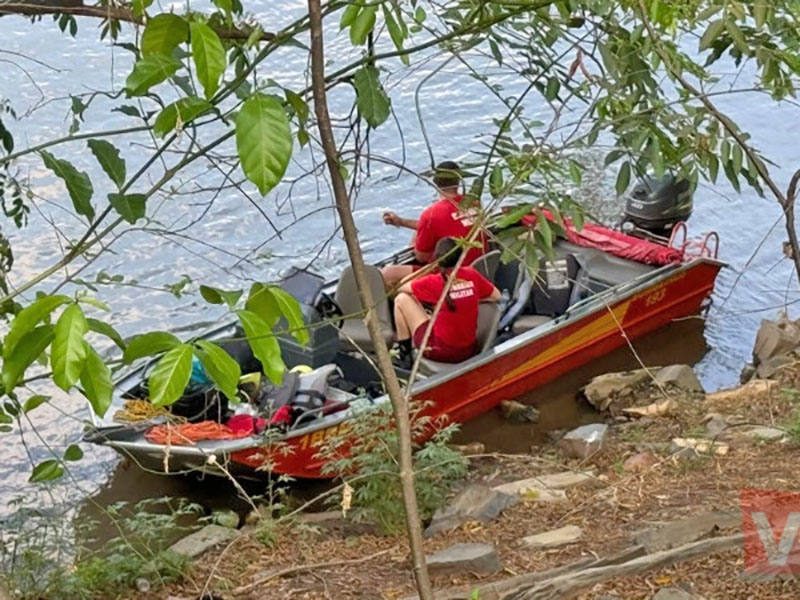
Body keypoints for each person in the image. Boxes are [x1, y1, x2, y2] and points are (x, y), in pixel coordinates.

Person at [392, 237, 500, 369]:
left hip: (439, 350)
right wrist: (468, 297)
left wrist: (427, 269)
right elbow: (496, 296)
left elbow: (400, 286)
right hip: (468, 350)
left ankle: (404, 353)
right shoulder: (472, 275)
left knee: (401, 299)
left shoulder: (433, 282)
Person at [381, 161, 487, 289]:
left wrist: (417, 238)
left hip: (449, 275)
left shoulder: (432, 214)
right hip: (477, 268)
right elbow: (448, 224)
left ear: (435, 183)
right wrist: (402, 222)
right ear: (459, 181)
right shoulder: (474, 203)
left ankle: (417, 303)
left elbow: (421, 257)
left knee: (387, 274)